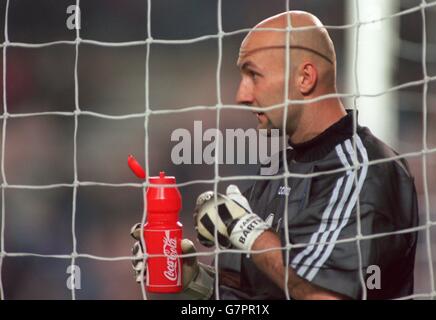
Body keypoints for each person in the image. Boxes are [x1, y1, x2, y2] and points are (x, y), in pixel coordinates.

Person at [131, 11, 418, 300]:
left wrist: (247, 231)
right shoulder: (278, 169)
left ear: (305, 78)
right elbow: (255, 297)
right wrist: (194, 280)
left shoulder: (363, 170)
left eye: (253, 74)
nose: (241, 95)